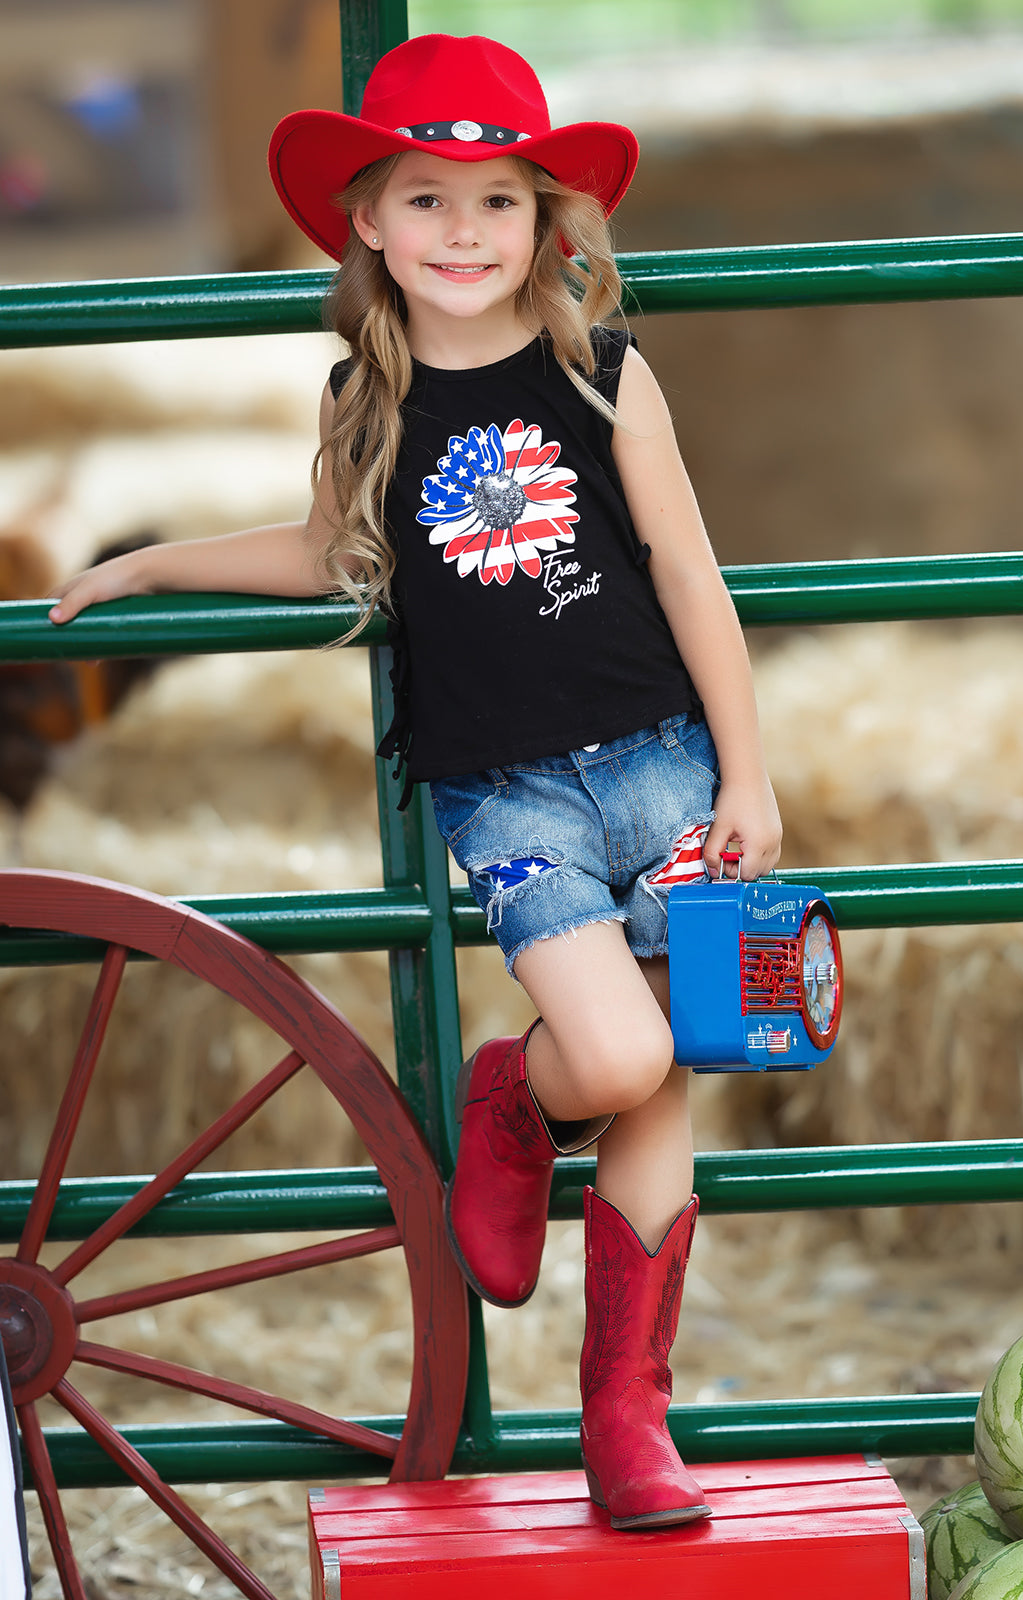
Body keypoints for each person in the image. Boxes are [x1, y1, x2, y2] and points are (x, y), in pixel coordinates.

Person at [49, 33, 782, 1531]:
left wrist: (748, 770)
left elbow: (692, 575)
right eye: (428, 198)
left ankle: (626, 1419)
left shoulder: (605, 371)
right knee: (620, 1058)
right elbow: (326, 555)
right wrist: (146, 564)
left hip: (661, 770)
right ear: (369, 222)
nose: (464, 232)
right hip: (507, 795)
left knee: (662, 1086)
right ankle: (516, 1095)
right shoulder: (365, 396)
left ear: (546, 223)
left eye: (499, 201)